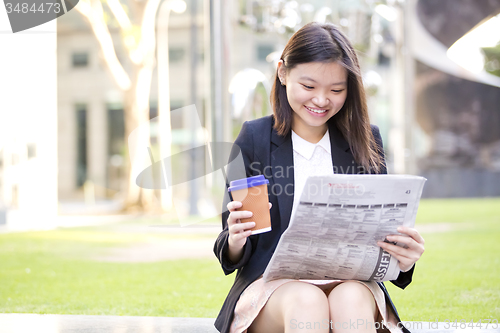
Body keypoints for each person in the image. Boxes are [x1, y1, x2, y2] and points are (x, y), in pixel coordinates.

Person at [213, 22, 425, 333]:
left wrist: (404, 257)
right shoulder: (254, 139)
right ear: (283, 73)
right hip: (276, 288)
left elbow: (381, 237)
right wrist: (236, 238)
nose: (322, 100)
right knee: (307, 300)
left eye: (336, 90)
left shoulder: (366, 142)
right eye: (309, 87)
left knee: (351, 297)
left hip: (351, 281)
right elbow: (230, 252)